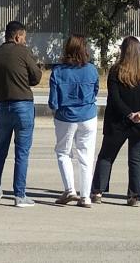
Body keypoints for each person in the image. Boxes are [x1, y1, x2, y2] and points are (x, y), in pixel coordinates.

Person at [91, 36, 140, 207]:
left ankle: (98, 191)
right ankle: (134, 195)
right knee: (136, 160)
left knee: (106, 156)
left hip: (118, 122)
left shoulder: (116, 72)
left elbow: (115, 99)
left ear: (123, 51)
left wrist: (129, 114)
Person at [0, 20, 43, 207]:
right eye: (23, 37)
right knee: (22, 152)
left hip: (2, 106)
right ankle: (19, 194)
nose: (24, 40)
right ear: (18, 36)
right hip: (23, 105)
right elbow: (36, 76)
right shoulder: (23, 52)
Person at [49, 34, 100, 208]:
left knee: (63, 152)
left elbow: (53, 101)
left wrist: (56, 108)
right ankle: (85, 196)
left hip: (66, 116)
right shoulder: (92, 69)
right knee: (86, 156)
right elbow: (95, 91)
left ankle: (69, 189)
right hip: (88, 115)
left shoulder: (58, 71)